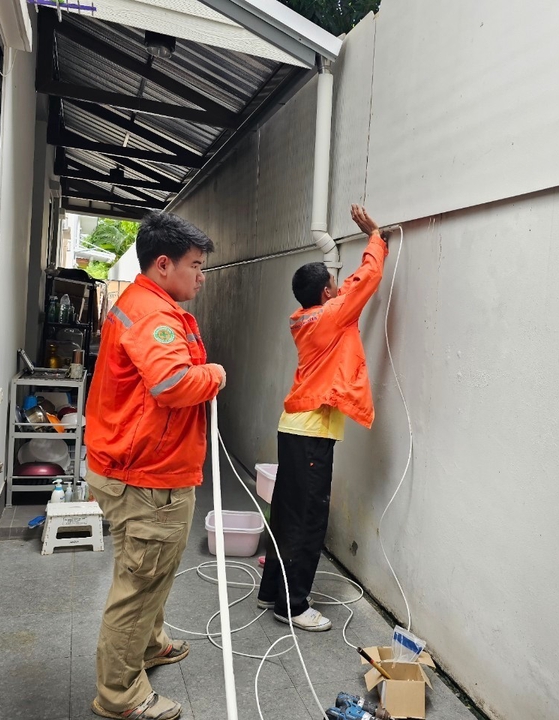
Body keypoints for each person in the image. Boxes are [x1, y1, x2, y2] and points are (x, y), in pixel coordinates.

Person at [84, 211, 225, 720]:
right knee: (140, 582)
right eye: (196, 265)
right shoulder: (154, 316)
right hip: (146, 476)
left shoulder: (143, 303)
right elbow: (171, 385)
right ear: (163, 264)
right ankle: (121, 695)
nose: (201, 276)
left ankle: (149, 645)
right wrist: (214, 374)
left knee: (152, 571)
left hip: (131, 462)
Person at [256, 204, 388, 631]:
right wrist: (376, 238)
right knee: (307, 519)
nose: (338, 284)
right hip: (311, 434)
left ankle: (273, 592)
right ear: (327, 294)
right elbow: (364, 281)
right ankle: (292, 606)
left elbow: (349, 287)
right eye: (333, 282)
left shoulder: (310, 317)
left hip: (295, 428)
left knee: (287, 513)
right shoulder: (330, 317)